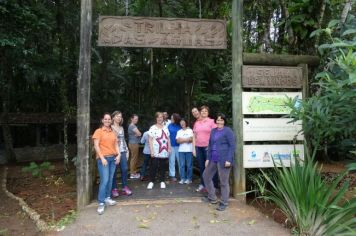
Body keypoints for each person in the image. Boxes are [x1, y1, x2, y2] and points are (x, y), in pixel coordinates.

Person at [202, 113, 235, 211]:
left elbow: (232, 146)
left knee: (223, 182)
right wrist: (208, 158)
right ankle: (212, 197)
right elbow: (210, 145)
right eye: (218, 120)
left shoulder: (228, 131)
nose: (219, 122)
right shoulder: (213, 131)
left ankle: (224, 202)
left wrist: (229, 159)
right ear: (215, 121)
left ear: (224, 121)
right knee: (206, 176)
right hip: (213, 158)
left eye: (221, 120)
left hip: (224, 160)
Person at [92, 113, 120, 215]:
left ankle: (107, 197)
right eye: (105, 119)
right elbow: (96, 146)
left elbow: (116, 145)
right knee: (105, 180)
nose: (107, 121)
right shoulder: (98, 131)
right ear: (102, 120)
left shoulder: (113, 132)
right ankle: (101, 202)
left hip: (113, 159)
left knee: (110, 179)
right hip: (103, 159)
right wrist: (102, 158)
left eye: (109, 119)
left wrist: (119, 155)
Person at [193, 105, 217, 192]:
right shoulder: (197, 122)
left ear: (208, 113)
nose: (204, 112)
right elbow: (194, 136)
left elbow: (215, 135)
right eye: (202, 111)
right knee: (202, 167)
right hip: (198, 148)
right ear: (200, 112)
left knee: (210, 167)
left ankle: (213, 186)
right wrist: (194, 148)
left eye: (205, 111)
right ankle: (203, 185)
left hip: (208, 148)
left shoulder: (211, 122)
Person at [147, 112, 171, 189]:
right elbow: (150, 140)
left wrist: (169, 148)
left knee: (163, 167)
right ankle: (151, 181)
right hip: (155, 151)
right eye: (158, 117)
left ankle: (162, 181)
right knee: (153, 166)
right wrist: (151, 151)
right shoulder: (152, 128)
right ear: (156, 118)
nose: (160, 118)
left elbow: (168, 139)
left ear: (163, 118)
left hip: (164, 151)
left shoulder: (165, 128)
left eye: (161, 117)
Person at [111, 111, 132, 197]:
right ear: (113, 117)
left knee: (125, 169)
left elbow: (123, 140)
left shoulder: (122, 128)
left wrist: (127, 150)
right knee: (114, 171)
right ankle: (114, 188)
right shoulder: (110, 127)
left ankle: (124, 187)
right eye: (117, 116)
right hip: (114, 152)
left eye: (120, 116)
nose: (119, 118)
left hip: (122, 151)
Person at [176, 118, 195, 184]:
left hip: (189, 150)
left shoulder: (190, 130)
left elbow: (191, 139)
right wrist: (186, 139)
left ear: (186, 123)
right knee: (182, 165)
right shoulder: (179, 131)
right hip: (181, 151)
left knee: (189, 165)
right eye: (181, 122)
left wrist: (182, 139)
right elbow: (178, 141)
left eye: (183, 122)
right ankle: (182, 178)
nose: (182, 123)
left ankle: (189, 179)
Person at [168, 113, 181, 182]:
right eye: (171, 118)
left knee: (180, 161)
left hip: (180, 146)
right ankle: (172, 175)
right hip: (171, 146)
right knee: (171, 161)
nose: (171, 119)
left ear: (176, 119)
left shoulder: (180, 125)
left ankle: (182, 174)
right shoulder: (169, 125)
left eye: (172, 118)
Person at [128, 114, 142, 179]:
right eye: (135, 119)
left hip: (132, 143)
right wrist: (138, 134)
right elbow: (139, 133)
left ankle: (134, 172)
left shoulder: (132, 126)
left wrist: (138, 134)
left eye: (137, 119)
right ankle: (132, 174)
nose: (137, 120)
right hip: (133, 144)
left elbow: (138, 134)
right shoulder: (132, 126)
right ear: (131, 119)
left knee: (134, 158)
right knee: (134, 159)